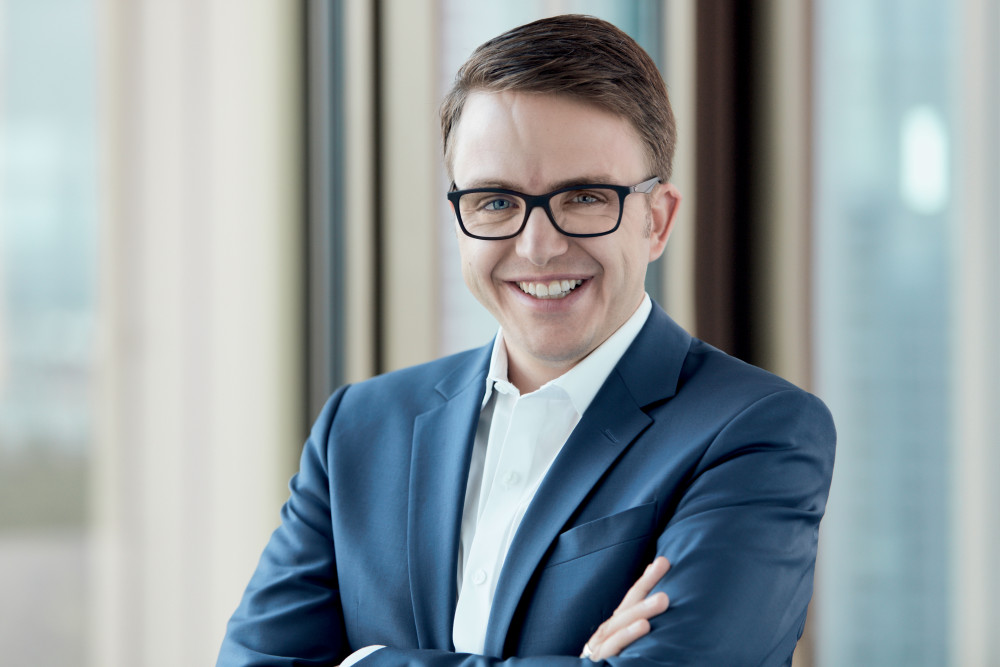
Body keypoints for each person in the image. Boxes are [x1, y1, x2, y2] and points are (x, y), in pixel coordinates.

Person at [217, 14, 835, 667]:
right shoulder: (360, 428)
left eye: (584, 198)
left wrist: (363, 660)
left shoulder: (758, 431)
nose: (538, 246)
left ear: (656, 221)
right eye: (496, 202)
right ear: (459, 218)